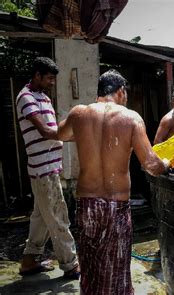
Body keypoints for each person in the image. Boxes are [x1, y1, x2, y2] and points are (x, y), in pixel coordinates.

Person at [57, 69, 170, 295]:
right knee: (116, 274)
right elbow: (151, 164)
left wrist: (82, 133)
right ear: (120, 92)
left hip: (86, 205)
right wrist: (166, 163)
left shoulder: (78, 114)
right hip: (115, 207)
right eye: (125, 93)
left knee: (90, 269)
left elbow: (60, 134)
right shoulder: (130, 118)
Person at [16, 57, 80, 279]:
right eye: (49, 78)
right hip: (42, 170)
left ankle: (28, 261)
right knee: (58, 216)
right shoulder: (25, 98)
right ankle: (71, 264)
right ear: (37, 75)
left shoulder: (42, 97)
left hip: (49, 167)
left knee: (41, 217)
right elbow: (45, 131)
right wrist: (76, 135)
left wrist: (69, 137)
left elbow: (53, 131)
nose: (53, 82)